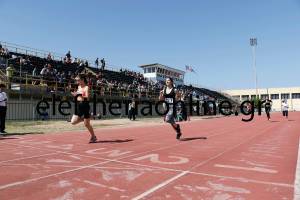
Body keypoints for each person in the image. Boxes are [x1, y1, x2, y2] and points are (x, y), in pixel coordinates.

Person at [70, 74, 97, 143]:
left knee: (87, 124)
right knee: (73, 122)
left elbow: (87, 98)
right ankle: (88, 117)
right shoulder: (79, 87)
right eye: (76, 80)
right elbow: (79, 96)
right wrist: (75, 95)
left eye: (78, 80)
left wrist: (78, 94)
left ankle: (93, 137)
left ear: (82, 80)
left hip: (85, 106)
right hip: (79, 106)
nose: (77, 81)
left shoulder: (86, 87)